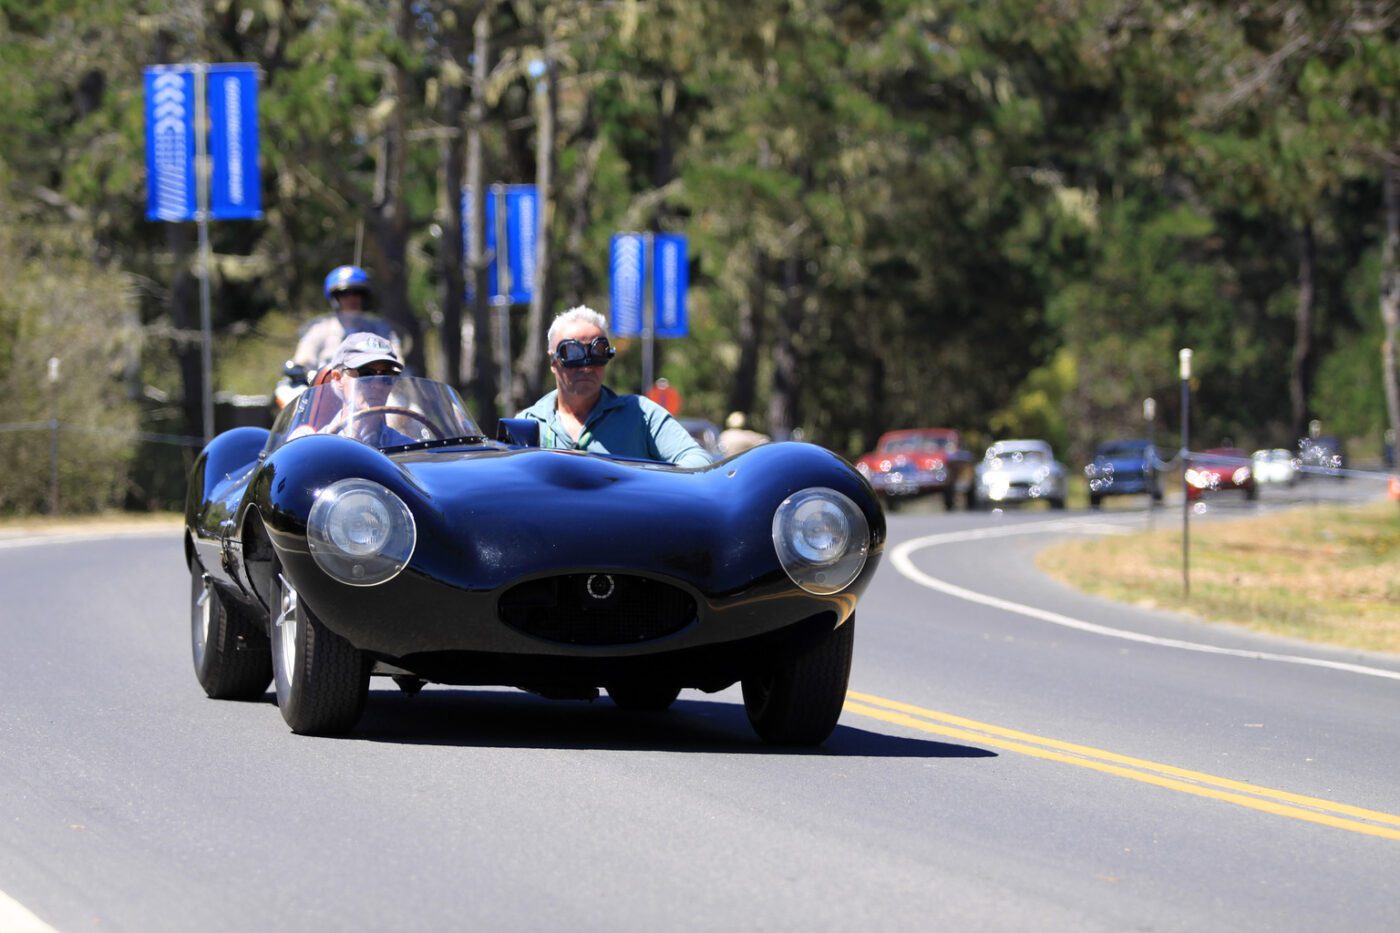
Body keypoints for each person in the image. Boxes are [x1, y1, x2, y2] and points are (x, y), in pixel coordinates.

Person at [515, 306, 712, 467]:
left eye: (597, 352)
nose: (586, 366)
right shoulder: (528, 422)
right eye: (572, 353)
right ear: (553, 362)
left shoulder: (641, 414)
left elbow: (697, 461)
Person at [290, 332, 417, 448]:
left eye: (387, 376)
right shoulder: (311, 448)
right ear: (338, 378)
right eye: (366, 374)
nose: (378, 385)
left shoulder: (408, 449)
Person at [291, 265, 403, 372]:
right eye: (344, 293)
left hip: (373, 388)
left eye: (358, 293)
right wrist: (300, 368)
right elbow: (303, 359)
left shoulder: (381, 330)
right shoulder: (320, 329)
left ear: (365, 297)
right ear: (335, 298)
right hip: (326, 389)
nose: (352, 298)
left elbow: (396, 359)